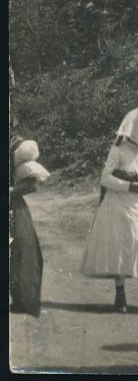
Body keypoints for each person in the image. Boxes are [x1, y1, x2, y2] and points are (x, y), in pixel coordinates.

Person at [81, 106, 138, 313]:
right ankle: (120, 293)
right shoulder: (118, 150)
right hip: (121, 203)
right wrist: (129, 186)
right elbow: (105, 178)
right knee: (122, 246)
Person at [10, 135, 49, 316]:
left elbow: (31, 184)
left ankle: (20, 300)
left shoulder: (16, 148)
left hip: (10, 206)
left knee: (21, 252)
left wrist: (9, 191)